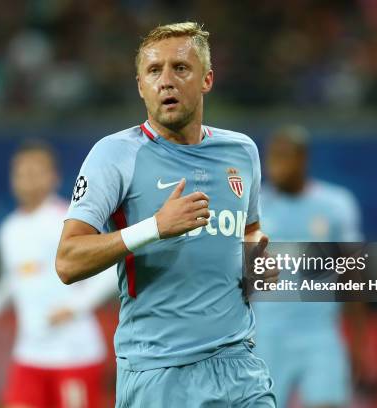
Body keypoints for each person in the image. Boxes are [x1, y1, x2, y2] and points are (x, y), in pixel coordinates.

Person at [55, 22, 277, 407]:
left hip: (239, 365)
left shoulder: (242, 152)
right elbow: (67, 261)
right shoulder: (116, 154)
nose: (167, 81)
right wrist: (154, 227)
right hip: (158, 373)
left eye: (181, 68)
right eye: (154, 71)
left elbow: (251, 232)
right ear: (141, 86)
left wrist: (257, 263)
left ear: (207, 79)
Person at [0, 141, 117, 408]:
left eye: (36, 172)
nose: (28, 180)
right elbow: (17, 278)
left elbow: (113, 269)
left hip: (74, 355)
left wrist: (75, 306)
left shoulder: (69, 221)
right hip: (29, 356)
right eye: (22, 174)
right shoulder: (10, 229)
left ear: (54, 177)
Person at [254, 125, 367, 408]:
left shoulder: (336, 205)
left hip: (319, 335)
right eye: (271, 157)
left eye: (283, 156)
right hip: (267, 336)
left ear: (302, 159)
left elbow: (352, 276)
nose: (274, 165)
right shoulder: (254, 207)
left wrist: (358, 345)